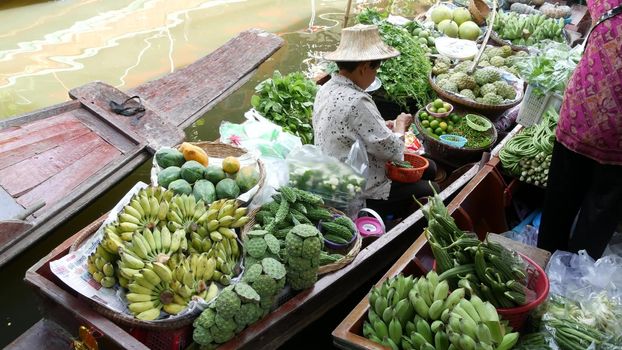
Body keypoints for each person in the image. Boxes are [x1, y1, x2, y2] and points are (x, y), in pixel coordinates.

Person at [313, 24, 438, 222]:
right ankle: (394, 221)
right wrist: (400, 125)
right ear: (364, 68)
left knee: (430, 168)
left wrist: (383, 126)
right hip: (357, 188)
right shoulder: (357, 101)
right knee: (431, 188)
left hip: (334, 172)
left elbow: (354, 130)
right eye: (375, 70)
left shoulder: (326, 88)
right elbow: (392, 151)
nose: (375, 76)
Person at [537, 0, 622, 259]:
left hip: (581, 117)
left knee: (560, 202)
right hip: (598, 129)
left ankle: (545, 265)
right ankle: (573, 274)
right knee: (599, 213)